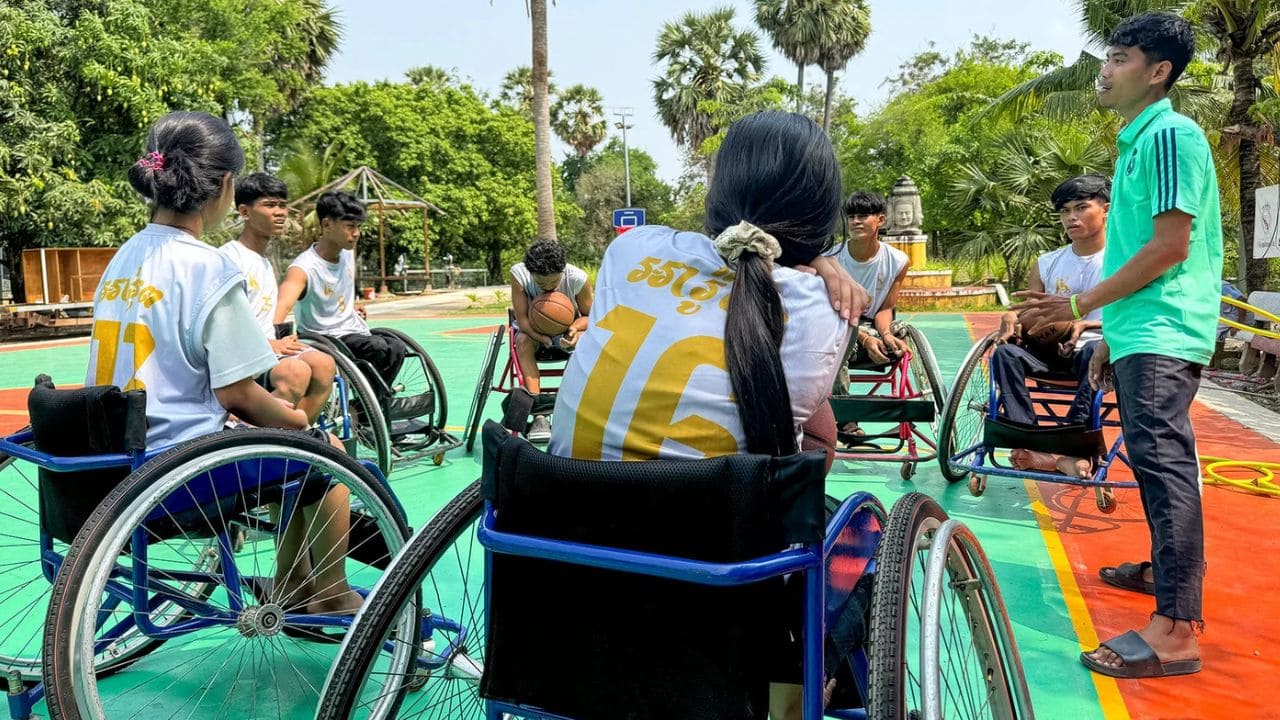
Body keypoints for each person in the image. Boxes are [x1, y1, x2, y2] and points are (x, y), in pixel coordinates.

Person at [549, 111, 865, 719]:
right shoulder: (825, 309)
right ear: (820, 210)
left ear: (719, 188)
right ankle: (799, 699)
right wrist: (823, 263)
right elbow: (815, 445)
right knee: (851, 541)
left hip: (566, 568)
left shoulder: (630, 252)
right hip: (712, 593)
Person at [87, 110, 361, 616]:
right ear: (225, 187)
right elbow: (238, 396)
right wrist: (298, 420)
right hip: (177, 468)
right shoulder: (205, 265)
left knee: (289, 451)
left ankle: (291, 581)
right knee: (325, 449)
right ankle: (329, 592)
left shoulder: (124, 257)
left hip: (111, 463)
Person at [1015, 12, 1219, 679]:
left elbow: (1168, 248)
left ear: (1158, 72)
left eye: (1122, 57)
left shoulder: (1168, 136)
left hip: (1164, 328)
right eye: (1107, 55)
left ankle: (1176, 631)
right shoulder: (1140, 142)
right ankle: (1166, 575)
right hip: (1142, 329)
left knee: (1162, 468)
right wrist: (1112, 334)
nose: (1105, 68)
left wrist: (1077, 307)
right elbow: (1142, 249)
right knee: (1158, 465)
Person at [991, 175, 1110, 478]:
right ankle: (1031, 443)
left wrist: (1086, 323)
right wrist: (1012, 319)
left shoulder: (1122, 262)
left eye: (1081, 207)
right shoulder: (1046, 263)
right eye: (1064, 211)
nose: (1071, 217)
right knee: (1004, 355)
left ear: (1106, 209)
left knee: (1094, 348)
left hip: (1101, 351)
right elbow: (1032, 313)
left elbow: (1132, 313)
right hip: (1051, 352)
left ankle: (1071, 449)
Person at [220, 172, 336, 423]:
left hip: (265, 350)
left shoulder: (264, 262)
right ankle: (256, 441)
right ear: (244, 211)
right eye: (270, 205)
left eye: (283, 205)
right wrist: (267, 344)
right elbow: (225, 324)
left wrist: (278, 340)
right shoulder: (229, 259)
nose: (280, 212)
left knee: (325, 364)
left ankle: (299, 440)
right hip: (238, 355)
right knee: (295, 371)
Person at [276, 190, 407, 390]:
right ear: (327, 225)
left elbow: (336, 290)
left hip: (352, 330)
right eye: (350, 226)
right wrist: (276, 341)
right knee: (378, 347)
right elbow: (282, 306)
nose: (356, 233)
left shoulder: (347, 253)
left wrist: (350, 307)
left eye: (358, 227)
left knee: (397, 346)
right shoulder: (303, 269)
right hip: (325, 337)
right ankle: (370, 407)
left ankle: (372, 405)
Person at [829, 190, 910, 444]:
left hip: (872, 325)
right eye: (851, 216)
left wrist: (885, 335)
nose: (855, 221)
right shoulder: (831, 258)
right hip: (838, 325)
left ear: (881, 220)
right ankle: (844, 418)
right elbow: (833, 310)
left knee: (901, 335)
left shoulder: (897, 261)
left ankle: (902, 415)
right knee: (839, 334)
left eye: (863, 215)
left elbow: (885, 309)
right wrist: (864, 339)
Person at [509, 239, 594, 442]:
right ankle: (540, 415)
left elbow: (592, 316)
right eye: (541, 283)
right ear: (531, 273)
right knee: (522, 341)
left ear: (563, 271)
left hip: (568, 330)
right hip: (533, 331)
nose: (548, 288)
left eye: (553, 282)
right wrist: (541, 337)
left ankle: (574, 410)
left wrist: (574, 329)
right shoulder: (519, 274)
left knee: (585, 340)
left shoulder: (577, 278)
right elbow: (521, 318)